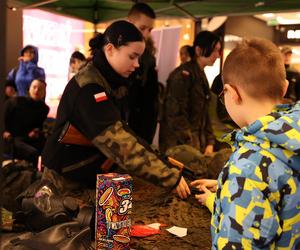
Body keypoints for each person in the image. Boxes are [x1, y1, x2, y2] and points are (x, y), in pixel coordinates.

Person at [41, 20, 190, 206]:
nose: (136, 64)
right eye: (132, 56)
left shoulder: (108, 81)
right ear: (110, 49)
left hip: (85, 178)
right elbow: (122, 146)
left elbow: (127, 134)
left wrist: (164, 163)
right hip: (66, 187)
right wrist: (169, 176)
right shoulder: (90, 88)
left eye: (139, 58)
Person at [191, 38, 300, 249]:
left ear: (232, 93)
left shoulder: (249, 168)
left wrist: (240, 182)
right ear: (285, 87)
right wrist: (224, 192)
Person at [159, 31, 221, 154]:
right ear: (198, 50)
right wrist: (192, 144)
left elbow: (204, 113)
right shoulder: (183, 75)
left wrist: (209, 142)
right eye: (214, 50)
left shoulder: (200, 74)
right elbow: (175, 114)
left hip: (194, 144)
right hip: (178, 147)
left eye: (218, 50)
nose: (217, 55)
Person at [127, 2, 160, 144]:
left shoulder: (148, 60)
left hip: (138, 134)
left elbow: (150, 104)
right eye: (142, 28)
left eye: (150, 30)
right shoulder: (111, 53)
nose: (146, 34)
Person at [3, 79, 49, 167]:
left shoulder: (44, 108)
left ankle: (43, 176)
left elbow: (39, 126)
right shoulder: (15, 102)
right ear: (29, 89)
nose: (36, 90)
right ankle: (31, 177)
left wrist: (36, 131)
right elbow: (3, 118)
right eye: (34, 87)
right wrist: (5, 131)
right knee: (33, 153)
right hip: (12, 137)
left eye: (40, 89)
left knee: (50, 148)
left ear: (44, 92)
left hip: (29, 137)